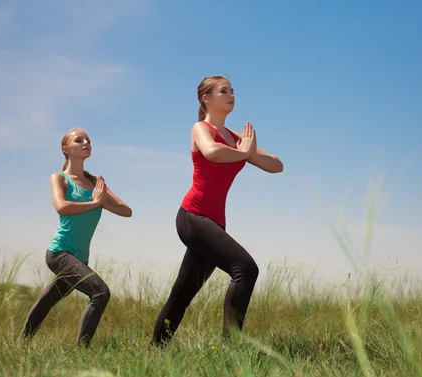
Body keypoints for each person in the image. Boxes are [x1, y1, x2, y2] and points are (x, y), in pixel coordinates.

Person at [150, 75, 284, 346]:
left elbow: (277, 165)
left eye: (233, 91)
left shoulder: (238, 140)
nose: (231, 95)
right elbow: (212, 152)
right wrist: (245, 153)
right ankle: (230, 347)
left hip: (215, 224)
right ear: (206, 98)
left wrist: (249, 153)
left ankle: (155, 349)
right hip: (193, 217)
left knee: (182, 294)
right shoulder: (201, 128)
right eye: (224, 91)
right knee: (245, 269)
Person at [20, 128, 132, 348]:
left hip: (80, 259)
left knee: (46, 301)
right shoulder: (59, 178)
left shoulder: (96, 183)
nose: (85, 143)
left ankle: (21, 344)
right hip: (60, 253)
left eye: (88, 140)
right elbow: (62, 207)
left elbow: (126, 211)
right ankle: (82, 352)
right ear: (66, 149)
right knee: (101, 292)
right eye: (79, 140)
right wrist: (94, 203)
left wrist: (101, 200)